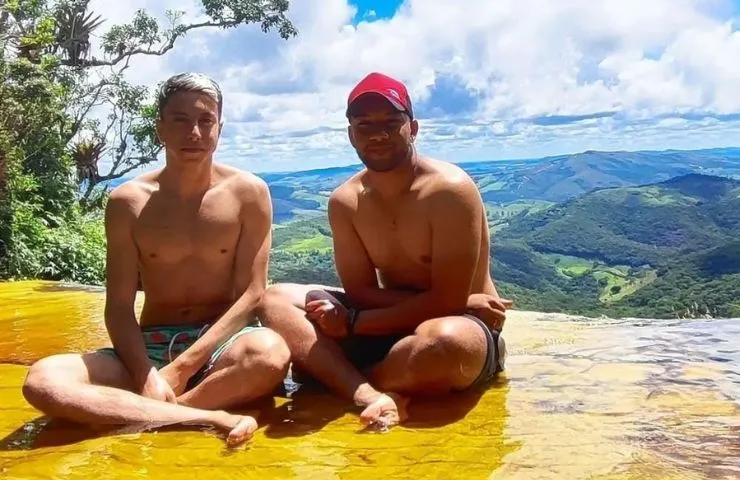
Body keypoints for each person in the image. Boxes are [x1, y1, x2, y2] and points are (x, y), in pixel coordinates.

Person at [21, 72, 290, 447]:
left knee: (270, 356)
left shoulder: (249, 193)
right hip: (148, 346)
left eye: (205, 121)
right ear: (160, 128)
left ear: (219, 127)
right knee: (44, 380)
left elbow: (252, 294)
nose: (193, 132)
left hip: (222, 345)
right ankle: (199, 415)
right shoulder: (128, 203)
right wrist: (147, 374)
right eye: (180, 120)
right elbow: (118, 306)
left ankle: (142, 413)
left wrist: (183, 367)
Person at [257, 72, 512, 429]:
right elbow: (361, 291)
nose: (378, 134)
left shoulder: (449, 191)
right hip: (389, 326)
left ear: (414, 127)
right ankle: (366, 393)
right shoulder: (345, 202)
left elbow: (450, 301)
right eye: (364, 125)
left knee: (443, 346)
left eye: (392, 123)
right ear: (350, 134)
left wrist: (353, 323)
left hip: (460, 324)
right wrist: (342, 314)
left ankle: (332, 375)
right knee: (274, 299)